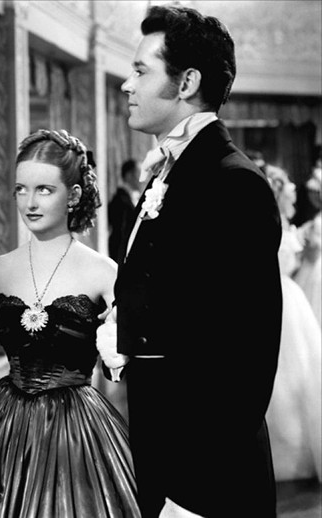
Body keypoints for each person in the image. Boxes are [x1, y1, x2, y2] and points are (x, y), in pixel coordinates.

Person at [0, 129, 140, 518]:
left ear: (74, 196)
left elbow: (123, 367)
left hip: (77, 434)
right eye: (21, 189)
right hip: (4, 426)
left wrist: (117, 351)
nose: (30, 203)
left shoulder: (105, 273)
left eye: (44, 190)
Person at [107, 5, 283, 517]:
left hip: (207, 476)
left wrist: (189, 497)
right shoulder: (169, 172)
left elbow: (247, 360)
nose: (127, 85)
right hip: (160, 454)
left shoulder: (233, 183)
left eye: (141, 71)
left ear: (186, 82)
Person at [263, 164, 321, 483]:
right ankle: (282, 449)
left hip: (292, 299)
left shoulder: (286, 223)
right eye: (289, 188)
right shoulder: (271, 223)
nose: (295, 192)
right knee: (280, 375)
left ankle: (301, 448)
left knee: (303, 370)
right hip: (279, 298)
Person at [108, 158, 142, 262]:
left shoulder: (134, 198)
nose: (142, 179)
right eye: (138, 174)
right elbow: (119, 233)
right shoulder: (119, 200)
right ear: (129, 175)